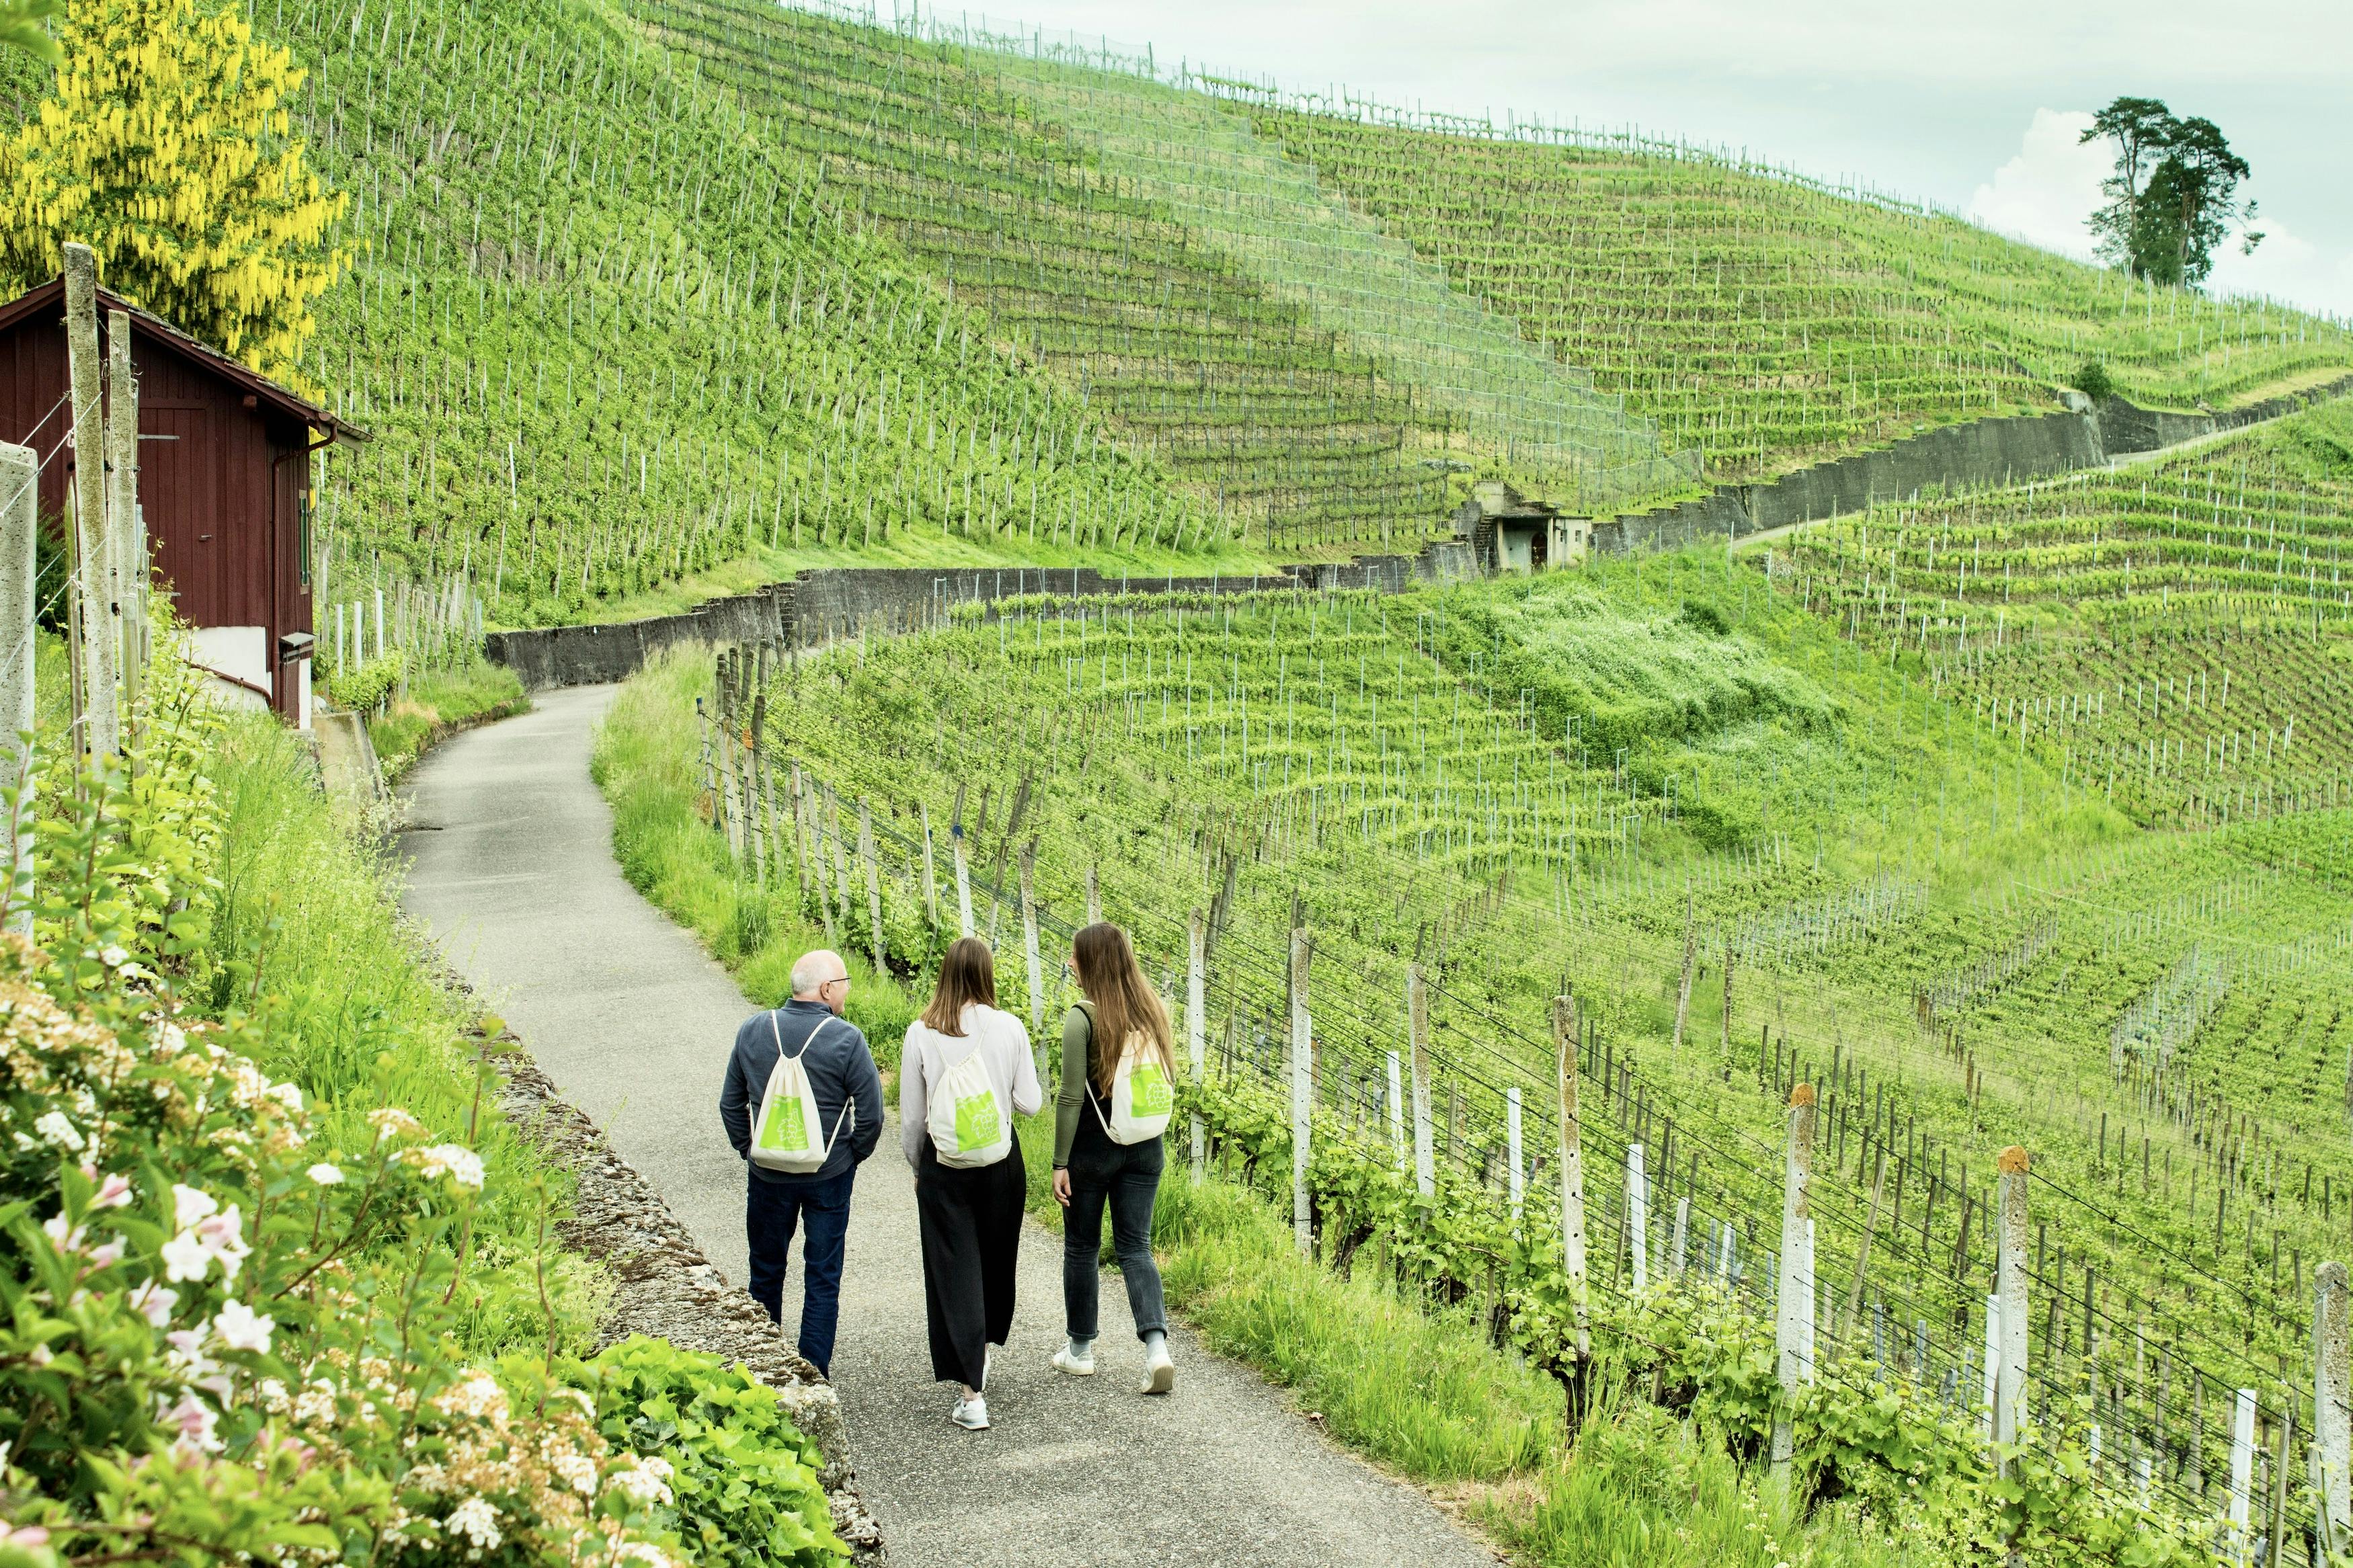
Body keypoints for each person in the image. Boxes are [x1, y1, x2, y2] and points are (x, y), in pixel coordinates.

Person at [719, 948, 883, 1378]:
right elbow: (872, 1114)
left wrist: (750, 1149)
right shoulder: (846, 1039)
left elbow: (730, 1103)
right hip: (828, 1175)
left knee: (766, 1270)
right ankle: (813, 1374)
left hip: (767, 1174)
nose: (847, 992)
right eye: (845, 983)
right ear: (827, 988)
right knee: (823, 1275)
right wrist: (850, 1156)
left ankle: (762, 1371)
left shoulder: (753, 1030)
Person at [901, 938, 1042, 1432]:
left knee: (954, 1267)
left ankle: (971, 1394)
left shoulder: (921, 1031)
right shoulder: (1009, 1027)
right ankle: (980, 1351)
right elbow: (1030, 1102)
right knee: (995, 1258)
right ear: (986, 974)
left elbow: (913, 1118)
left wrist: (920, 1167)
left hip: (945, 1166)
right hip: (1001, 1163)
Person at [1050, 921, 1177, 1395]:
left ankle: (1080, 1350)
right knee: (1136, 1247)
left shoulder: (1082, 1018)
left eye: (1076, 957)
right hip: (1147, 1147)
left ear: (1092, 963)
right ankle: (1157, 1349)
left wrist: (1059, 1162)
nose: (1070, 963)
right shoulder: (1153, 1011)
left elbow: (1069, 1097)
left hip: (1092, 1149)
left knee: (1083, 1246)